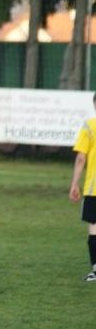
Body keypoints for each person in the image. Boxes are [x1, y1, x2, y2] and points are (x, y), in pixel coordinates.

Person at [69, 92, 96, 282]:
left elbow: (81, 158)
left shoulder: (90, 126)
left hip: (94, 188)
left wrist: (74, 184)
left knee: (94, 229)